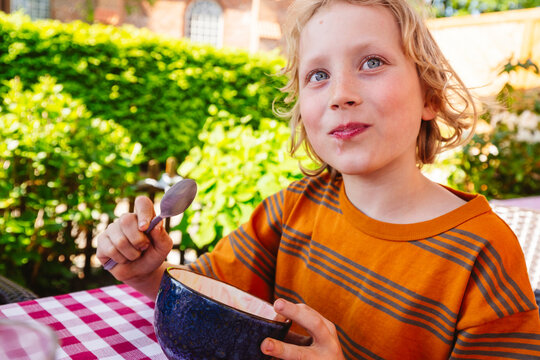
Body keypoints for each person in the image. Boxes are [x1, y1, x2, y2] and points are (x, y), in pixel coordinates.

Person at [96, 0, 540, 358]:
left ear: (430, 96)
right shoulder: (292, 210)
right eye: (318, 75)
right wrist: (147, 273)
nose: (340, 94)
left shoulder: (483, 252)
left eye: (371, 62)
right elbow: (209, 301)